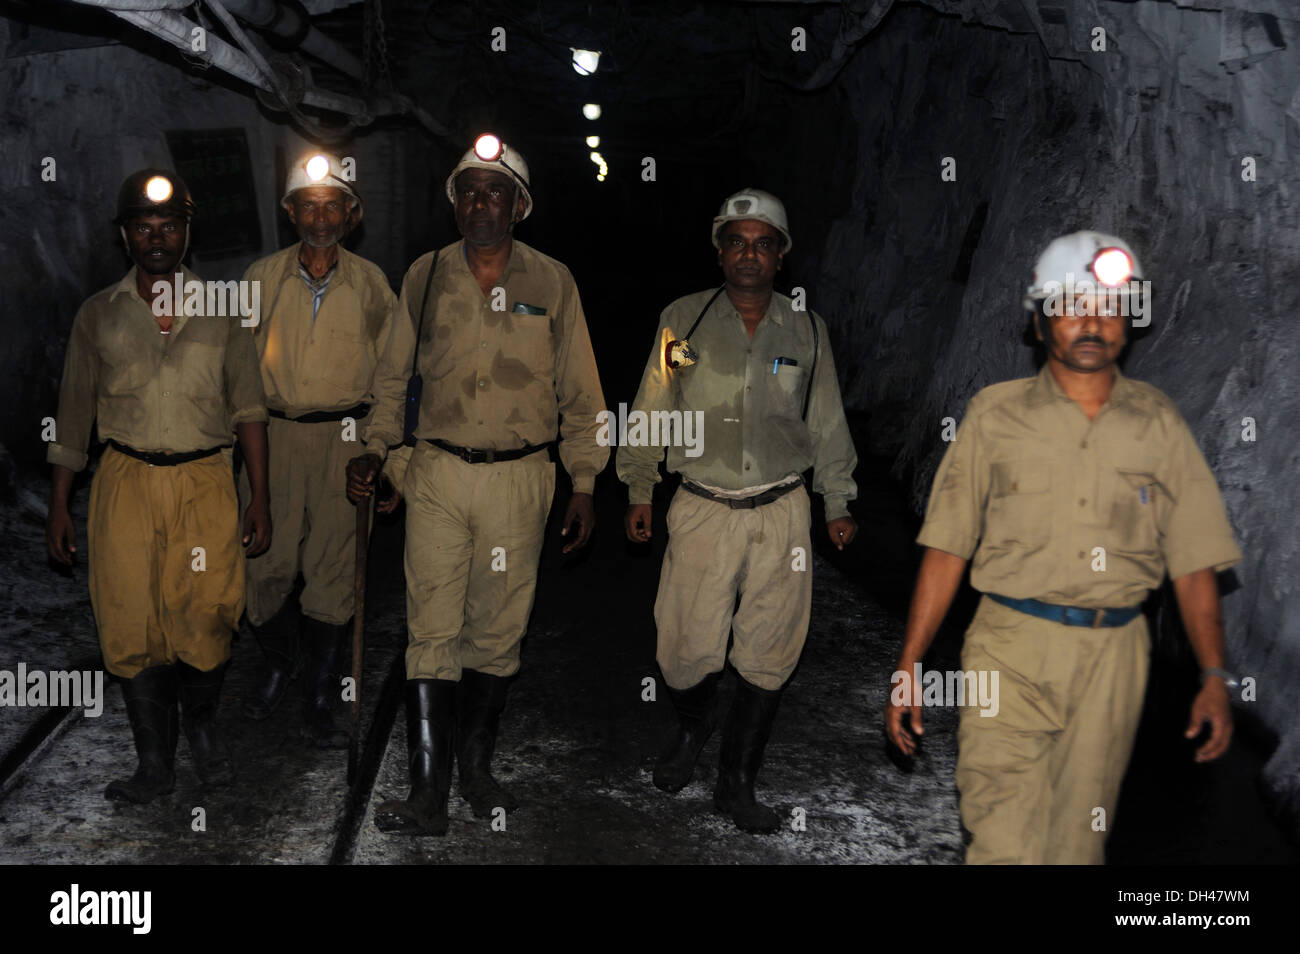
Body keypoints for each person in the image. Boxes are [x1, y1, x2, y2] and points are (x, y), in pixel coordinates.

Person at [884, 231, 1242, 864]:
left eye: (1108, 308)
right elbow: (947, 546)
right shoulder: (994, 416)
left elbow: (1193, 560)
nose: (1091, 323)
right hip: (1008, 647)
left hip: (1115, 660)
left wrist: (1213, 673)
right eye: (1073, 305)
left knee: (1077, 847)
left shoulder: (1159, 424)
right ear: (1041, 319)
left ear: (1127, 324)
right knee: (1001, 839)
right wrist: (909, 664)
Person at [348, 135, 608, 835]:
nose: (479, 204)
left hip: (521, 481)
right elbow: (392, 376)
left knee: (496, 630)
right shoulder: (425, 276)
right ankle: (428, 792)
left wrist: (584, 479)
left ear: (519, 205)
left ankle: (476, 768)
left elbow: (584, 392)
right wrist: (376, 448)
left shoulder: (553, 283)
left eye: (494, 191)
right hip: (436, 473)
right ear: (454, 204)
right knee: (431, 628)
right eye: (467, 191)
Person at [617, 188, 859, 833]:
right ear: (719, 251)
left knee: (771, 650)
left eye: (763, 243)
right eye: (736, 241)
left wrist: (836, 499)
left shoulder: (807, 330)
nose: (749, 254)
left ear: (781, 257)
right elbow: (652, 409)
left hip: (782, 511)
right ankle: (693, 732)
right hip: (701, 506)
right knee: (682, 648)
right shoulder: (684, 321)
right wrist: (639, 488)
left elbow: (827, 421)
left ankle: (737, 782)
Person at [46, 168, 270, 802]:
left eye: (169, 226)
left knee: (208, 611)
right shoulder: (99, 315)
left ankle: (200, 729)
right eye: (143, 226)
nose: (157, 238)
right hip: (124, 480)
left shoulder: (226, 312)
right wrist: (59, 505)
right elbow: (72, 417)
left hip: (204, 479)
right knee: (130, 617)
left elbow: (249, 408)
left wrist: (262, 495)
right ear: (125, 237)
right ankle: (154, 764)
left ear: (187, 233)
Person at [238, 151, 398, 748]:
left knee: (334, 571)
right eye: (309, 205)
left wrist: (379, 452)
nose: (321, 217)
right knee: (263, 566)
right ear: (290, 212)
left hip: (346, 438)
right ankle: (281, 661)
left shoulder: (373, 284)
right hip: (273, 434)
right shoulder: (258, 279)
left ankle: (321, 690)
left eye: (333, 206)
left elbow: (391, 377)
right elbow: (234, 370)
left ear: (351, 214)